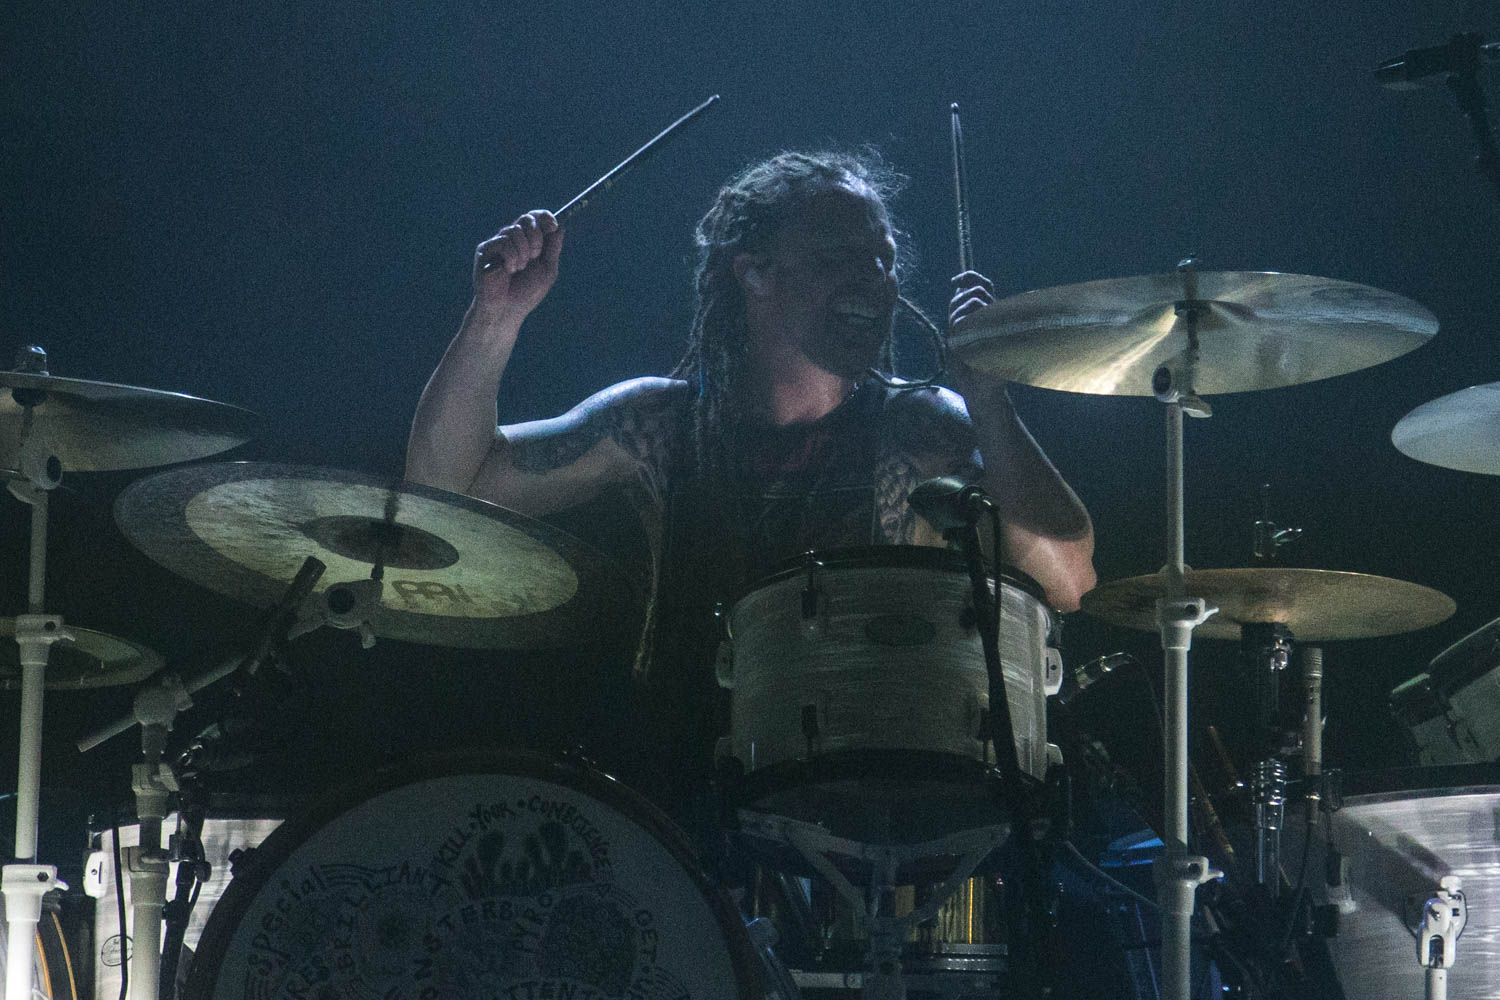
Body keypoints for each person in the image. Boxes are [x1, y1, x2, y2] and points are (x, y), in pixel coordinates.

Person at [406, 150, 1095, 805]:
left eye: (883, 259)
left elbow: (1069, 579)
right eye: (836, 257)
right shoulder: (659, 422)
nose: (873, 278)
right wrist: (495, 316)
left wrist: (989, 400)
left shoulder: (919, 427)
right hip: (677, 792)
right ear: (754, 274)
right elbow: (445, 488)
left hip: (866, 808)